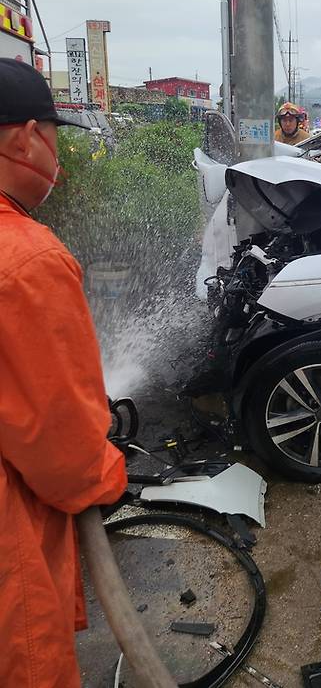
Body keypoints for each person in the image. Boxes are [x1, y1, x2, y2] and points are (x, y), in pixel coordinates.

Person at [0, 58, 128, 687]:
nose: (59, 159)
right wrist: (106, 470)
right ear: (25, 138)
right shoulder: (27, 259)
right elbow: (64, 447)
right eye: (55, 139)